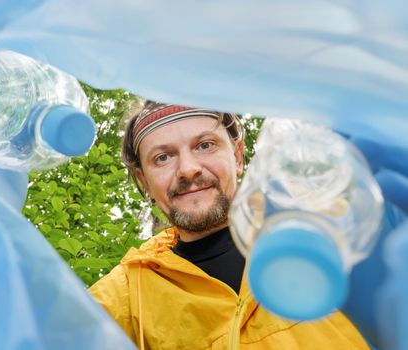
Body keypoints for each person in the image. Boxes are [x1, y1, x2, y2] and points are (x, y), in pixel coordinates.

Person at [89, 101, 370, 349]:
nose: (188, 169)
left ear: (237, 156)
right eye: (163, 157)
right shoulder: (127, 294)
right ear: (144, 181)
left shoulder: (332, 234)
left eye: (204, 145)